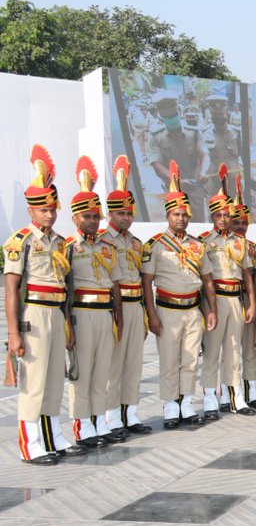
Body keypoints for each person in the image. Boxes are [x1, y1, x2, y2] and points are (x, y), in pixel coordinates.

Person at [5, 146, 78, 463]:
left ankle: (53, 435)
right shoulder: (19, 241)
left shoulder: (61, 242)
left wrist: (68, 324)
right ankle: (30, 442)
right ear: (31, 210)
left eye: (52, 209)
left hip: (55, 314)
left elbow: (66, 287)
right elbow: (11, 289)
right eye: (43, 209)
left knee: (52, 380)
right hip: (32, 313)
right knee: (33, 381)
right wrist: (14, 333)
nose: (49, 214)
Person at [141, 161, 218, 429]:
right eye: (176, 214)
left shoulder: (198, 245)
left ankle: (186, 403)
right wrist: (151, 315)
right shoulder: (156, 246)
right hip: (167, 310)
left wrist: (211, 310)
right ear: (168, 216)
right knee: (169, 360)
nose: (181, 219)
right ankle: (170, 405)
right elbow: (146, 282)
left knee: (189, 359)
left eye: (185, 214)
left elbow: (207, 281)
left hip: (193, 310)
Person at [65, 157, 124, 448]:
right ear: (75, 218)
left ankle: (100, 422)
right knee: (83, 372)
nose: (92, 221)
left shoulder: (107, 247)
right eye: (86, 216)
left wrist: (119, 320)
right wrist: (67, 327)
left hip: (105, 314)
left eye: (96, 216)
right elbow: (64, 288)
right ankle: (82, 425)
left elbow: (115, 285)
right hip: (82, 313)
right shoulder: (67, 248)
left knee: (102, 372)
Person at [198, 165, 256, 419]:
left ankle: (235, 398)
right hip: (215, 300)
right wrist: (207, 308)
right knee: (212, 351)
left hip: (235, 299)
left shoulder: (239, 242)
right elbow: (203, 278)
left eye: (226, 215)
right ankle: (210, 398)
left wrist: (252, 303)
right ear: (212, 217)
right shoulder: (203, 242)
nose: (223, 219)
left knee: (234, 349)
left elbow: (247, 275)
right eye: (219, 215)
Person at [103, 155, 152, 436]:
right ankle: (111, 417)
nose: (126, 217)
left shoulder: (136, 243)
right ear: (110, 214)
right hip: (114, 309)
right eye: (121, 213)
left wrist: (146, 311)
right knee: (115, 363)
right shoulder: (102, 241)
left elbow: (142, 279)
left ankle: (130, 413)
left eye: (129, 213)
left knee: (134, 362)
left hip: (136, 307)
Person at [229, 191, 256, 409]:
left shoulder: (252, 247)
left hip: (248, 301)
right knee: (229, 350)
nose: (241, 226)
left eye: (244, 223)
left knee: (250, 349)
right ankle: (228, 393)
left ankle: (252, 390)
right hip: (228, 299)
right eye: (237, 222)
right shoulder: (219, 243)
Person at [147, 90, 208, 189]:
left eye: (173, 116)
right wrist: (178, 181)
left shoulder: (194, 132)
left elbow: (204, 154)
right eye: (167, 117)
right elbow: (157, 165)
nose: (171, 119)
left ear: (179, 111)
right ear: (161, 116)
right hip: (173, 187)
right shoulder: (155, 136)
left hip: (195, 185)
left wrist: (204, 171)